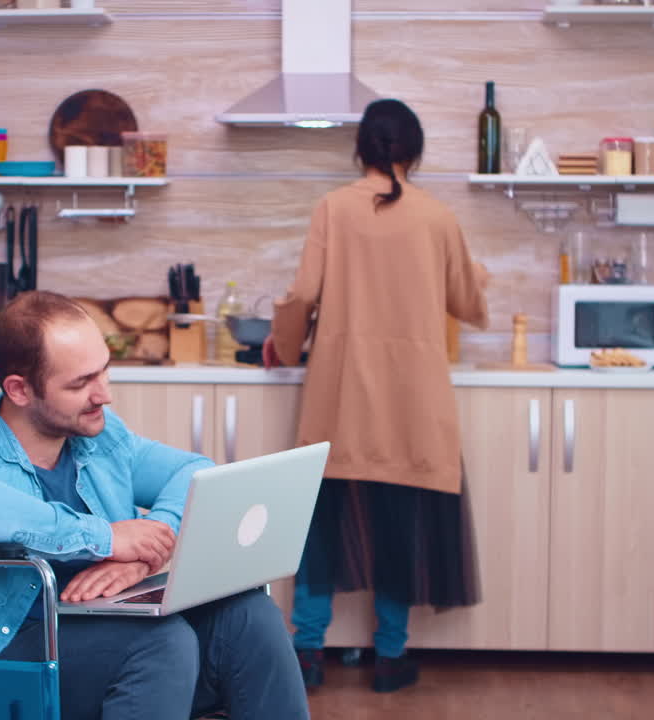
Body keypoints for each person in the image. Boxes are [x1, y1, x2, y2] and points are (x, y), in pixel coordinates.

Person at [0, 290, 310, 720]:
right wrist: (106, 538)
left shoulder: (102, 438)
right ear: (19, 390)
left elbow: (194, 472)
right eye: (80, 383)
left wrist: (144, 556)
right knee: (162, 642)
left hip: (105, 636)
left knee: (250, 616)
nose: (104, 395)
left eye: (103, 372)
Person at [263, 98, 491, 693]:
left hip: (342, 401)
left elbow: (303, 294)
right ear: (414, 153)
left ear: (360, 149)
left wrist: (282, 345)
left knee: (322, 528)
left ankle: (307, 654)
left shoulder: (333, 209)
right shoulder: (437, 218)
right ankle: (390, 658)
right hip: (412, 404)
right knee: (400, 530)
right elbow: (468, 301)